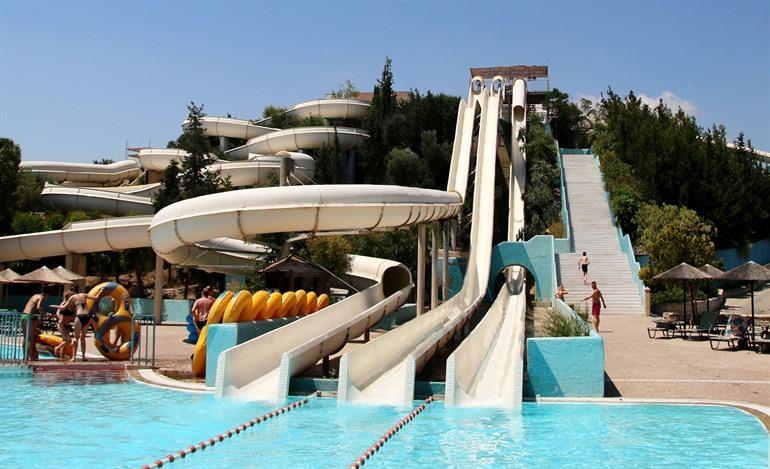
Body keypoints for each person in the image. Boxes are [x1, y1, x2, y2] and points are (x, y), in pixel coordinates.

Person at [56, 291, 99, 362]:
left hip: (79, 317)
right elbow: (96, 297)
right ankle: (83, 357)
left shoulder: (73, 299)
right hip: (86, 316)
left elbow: (63, 308)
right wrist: (101, 291)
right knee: (82, 338)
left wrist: (56, 306)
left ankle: (74, 357)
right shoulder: (83, 296)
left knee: (76, 338)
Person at [21, 292, 47, 361]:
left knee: (25, 338)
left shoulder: (34, 295)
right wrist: (44, 312)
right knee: (31, 339)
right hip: (28, 316)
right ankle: (29, 358)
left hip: (23, 315)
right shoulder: (41, 297)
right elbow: (38, 307)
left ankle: (25, 357)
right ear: (47, 295)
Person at [51, 290, 75, 358]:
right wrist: (60, 319)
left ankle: (62, 358)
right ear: (68, 296)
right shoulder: (64, 303)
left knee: (65, 342)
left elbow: (72, 317)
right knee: (68, 340)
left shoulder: (72, 306)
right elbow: (57, 312)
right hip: (61, 324)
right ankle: (57, 348)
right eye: (71, 296)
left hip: (67, 325)